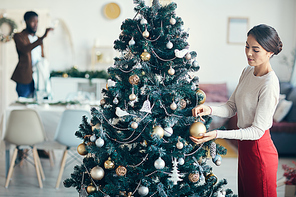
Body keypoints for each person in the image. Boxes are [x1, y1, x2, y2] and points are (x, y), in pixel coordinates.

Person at [191, 24, 282, 197]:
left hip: (259, 152)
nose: (248, 53)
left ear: (270, 52)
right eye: (247, 46)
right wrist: (208, 109)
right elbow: (231, 107)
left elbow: (256, 131)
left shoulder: (270, 84)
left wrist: (217, 134)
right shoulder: (247, 71)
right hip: (245, 150)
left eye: (256, 49)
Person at [11, 11, 53, 98]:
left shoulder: (37, 39)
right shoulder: (19, 36)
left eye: (37, 22)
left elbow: (42, 57)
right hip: (25, 77)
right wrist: (43, 37)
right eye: (33, 22)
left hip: (38, 77)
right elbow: (25, 49)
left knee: (38, 101)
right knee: (23, 103)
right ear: (26, 22)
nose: (35, 25)